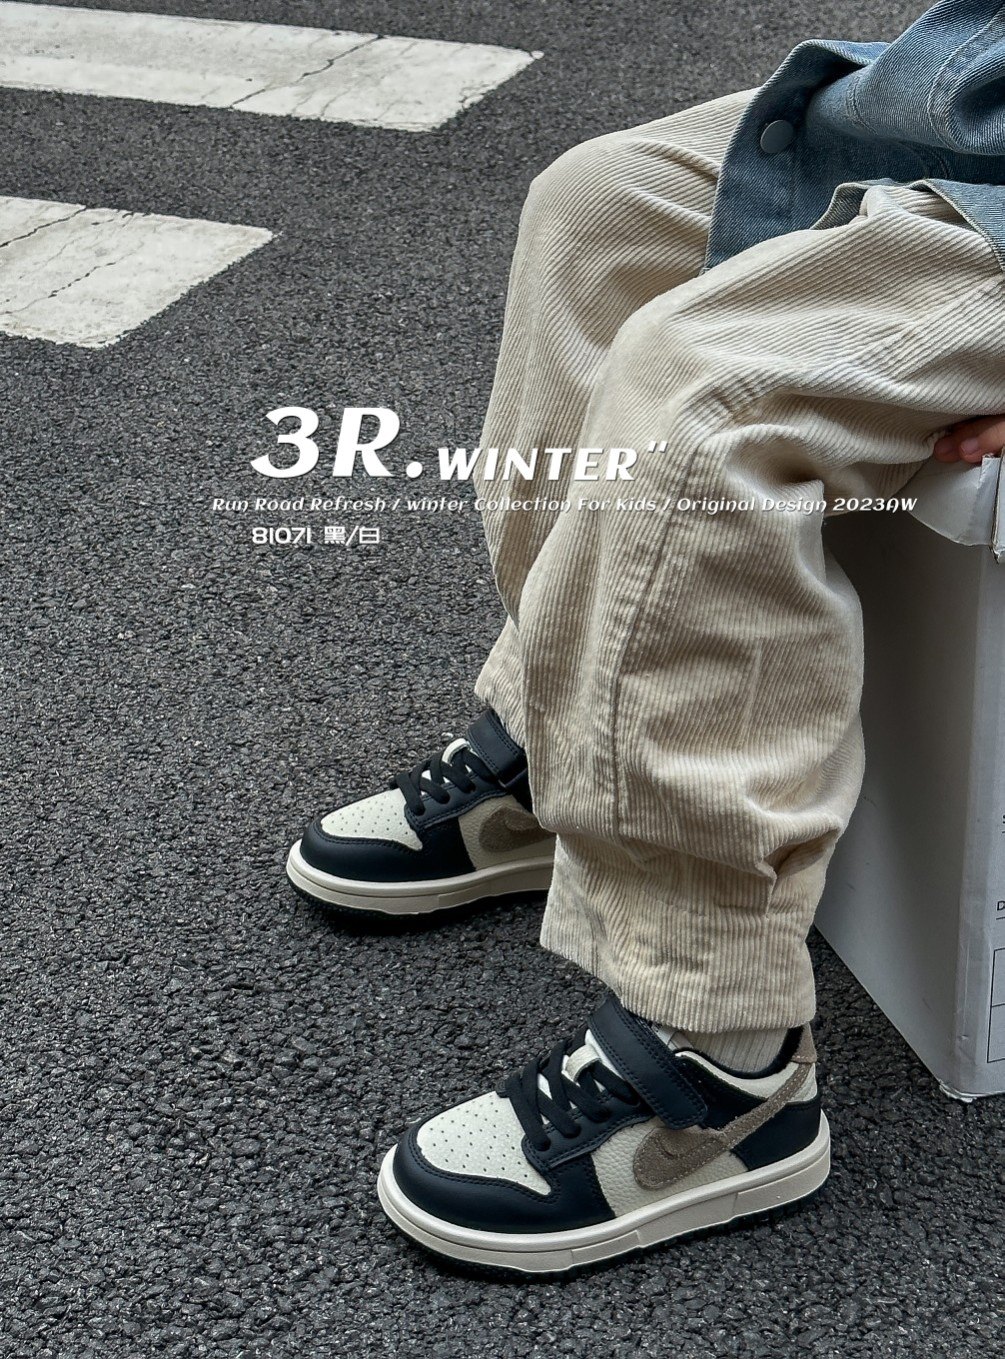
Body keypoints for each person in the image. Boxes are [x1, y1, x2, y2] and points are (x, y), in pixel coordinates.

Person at [287, 1, 1005, 1274]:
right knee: (594, 208)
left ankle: (721, 1066)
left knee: (704, 394)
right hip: (964, 109)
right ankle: (561, 749)